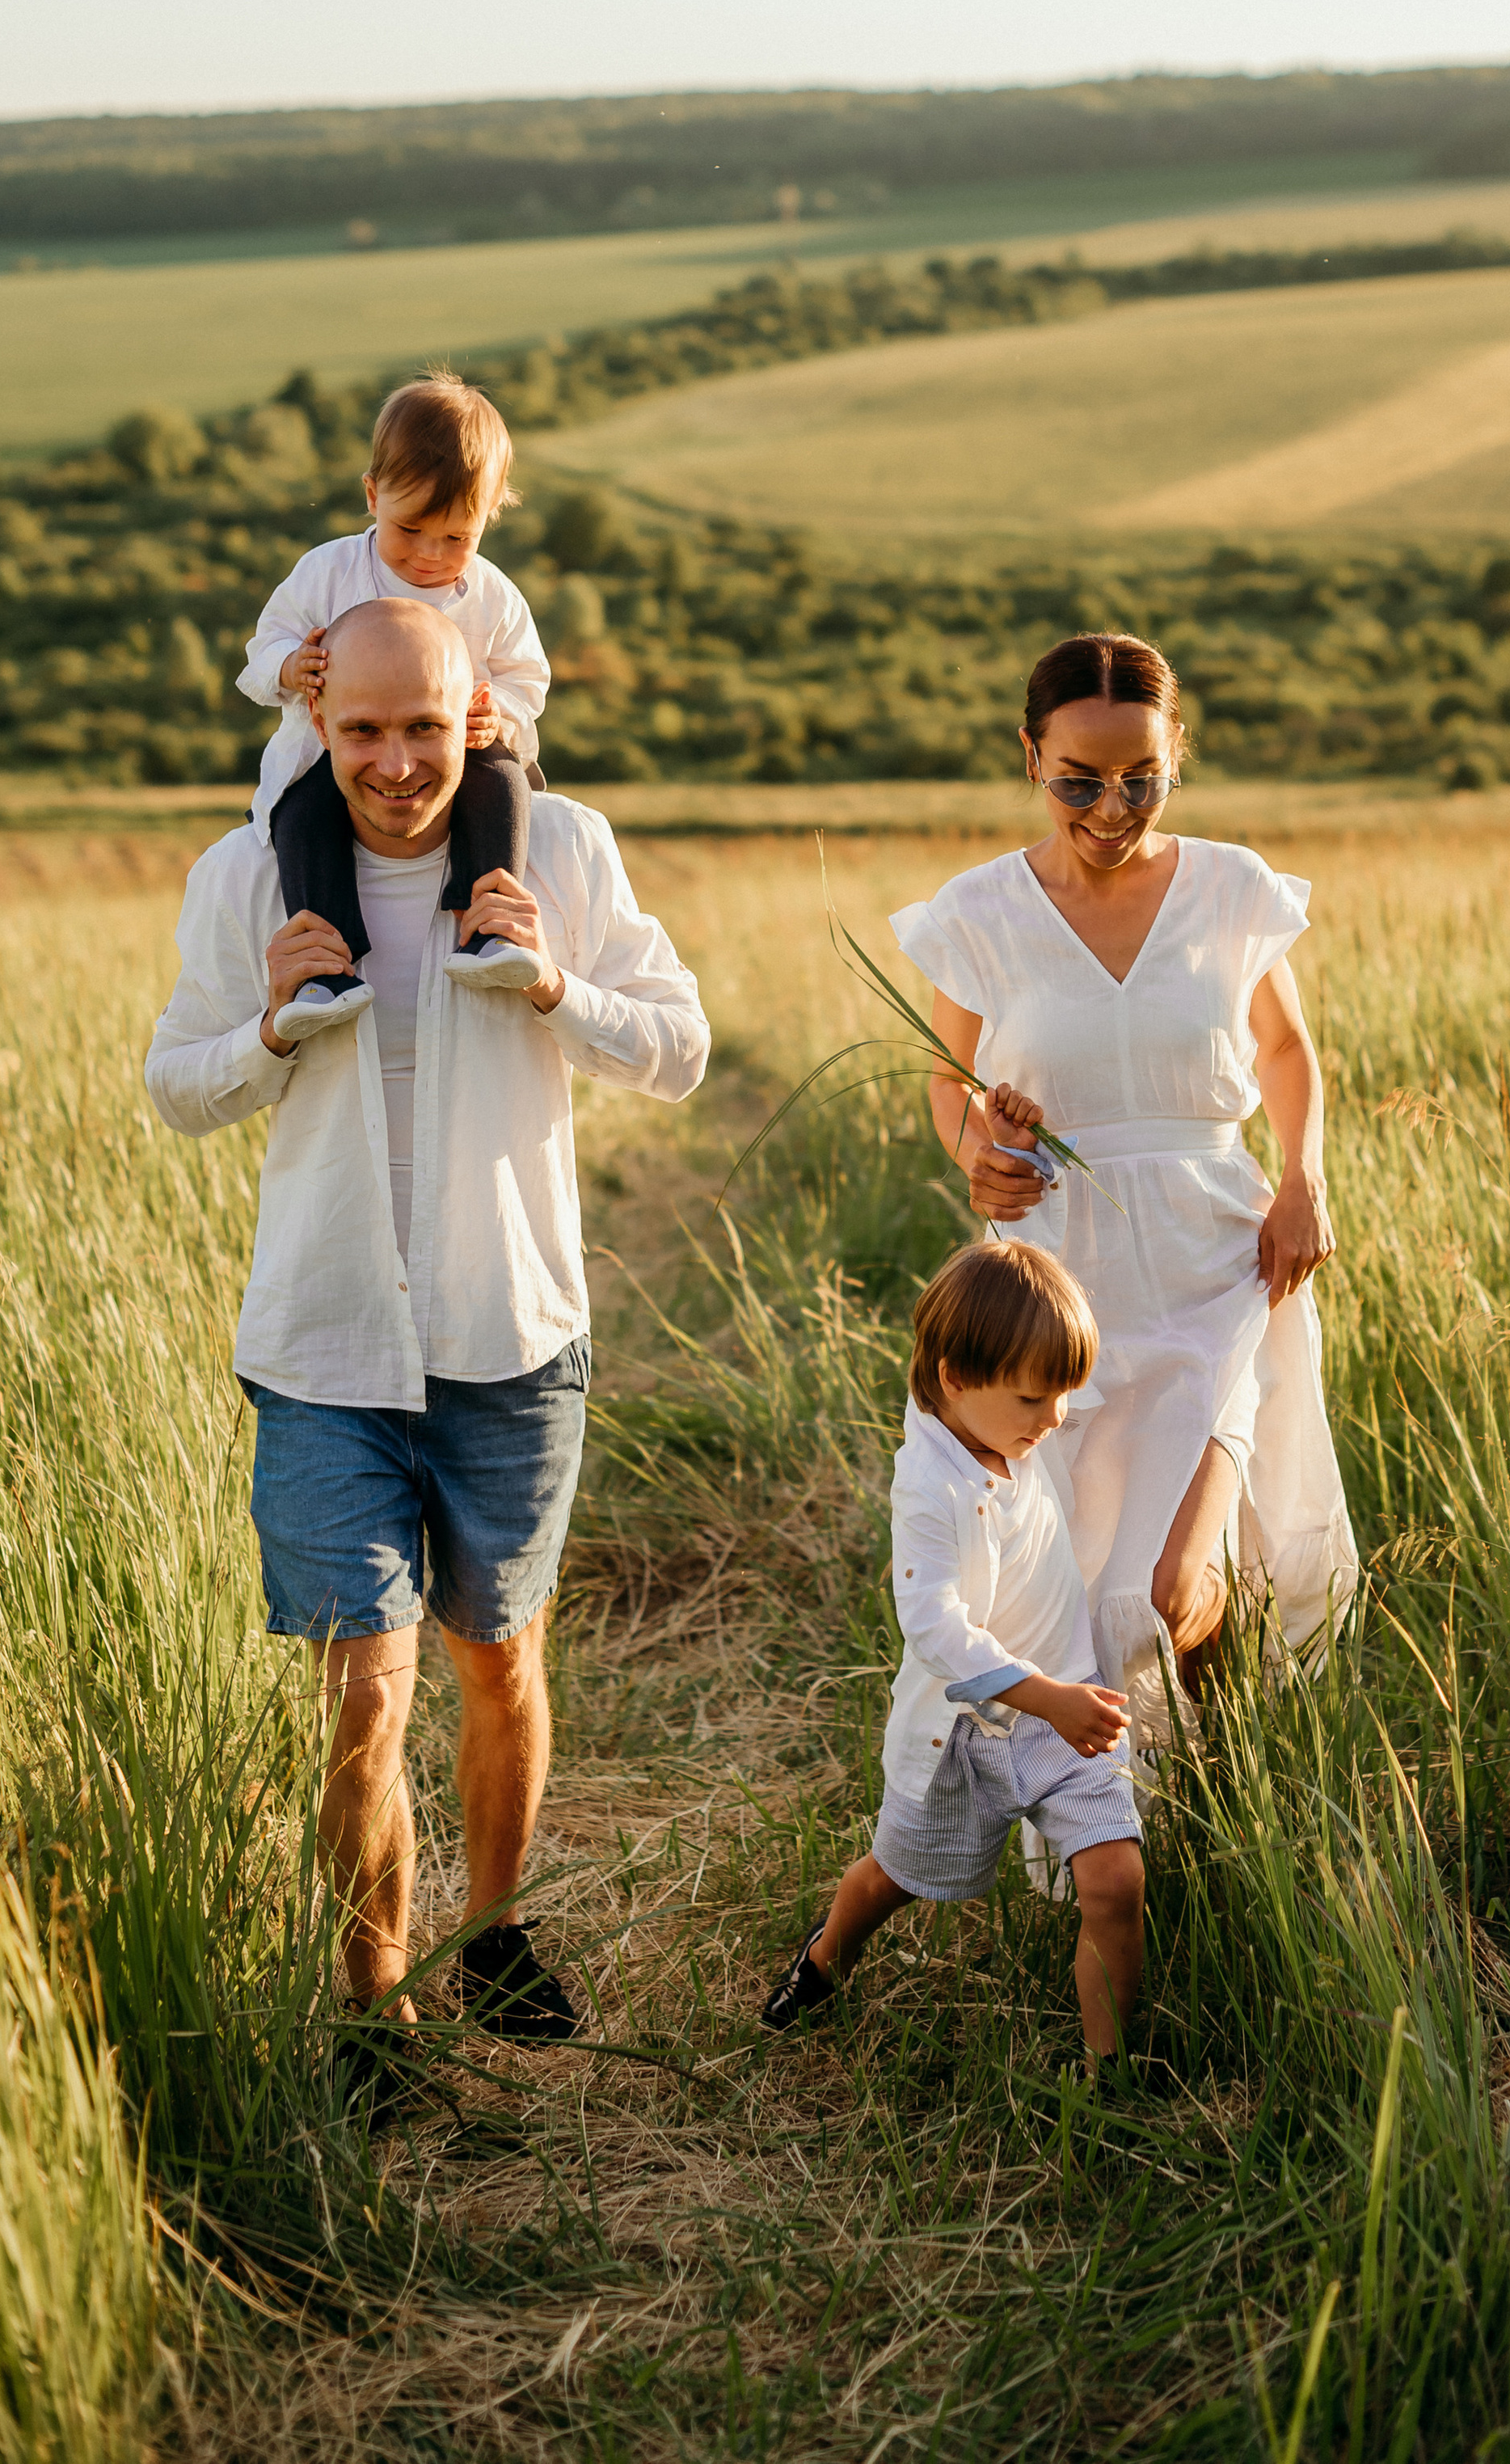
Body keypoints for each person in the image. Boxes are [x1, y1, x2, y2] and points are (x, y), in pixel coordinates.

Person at [146, 593, 709, 2091]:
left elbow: (682, 1042)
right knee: (363, 1690)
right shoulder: (250, 874)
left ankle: (496, 1930)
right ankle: (373, 2005)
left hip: (510, 1337)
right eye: (360, 731)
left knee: (497, 1659)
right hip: (325, 1344)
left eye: (420, 729)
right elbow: (176, 1086)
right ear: (317, 723)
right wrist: (266, 1024)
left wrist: (553, 980)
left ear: (474, 713)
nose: (393, 765)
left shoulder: (560, 850)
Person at [889, 632, 1358, 1758]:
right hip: (1065, 1278)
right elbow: (945, 1087)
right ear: (1030, 757)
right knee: (1087, 1571)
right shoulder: (980, 911)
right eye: (1079, 780)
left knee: (1188, 1566)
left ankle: (1234, 1761)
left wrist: (1304, 1181)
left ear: (1177, 753)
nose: (1112, 805)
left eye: (1140, 776)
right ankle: (1133, 1815)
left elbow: (1287, 1050)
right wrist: (974, 1154)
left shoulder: (1231, 887)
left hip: (1219, 1260)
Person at [760, 1242, 1145, 2063]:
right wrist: (1043, 1695)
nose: (1054, 1419)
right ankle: (824, 1960)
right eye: (1035, 1398)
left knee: (1115, 1882)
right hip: (964, 1732)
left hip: (1062, 1714)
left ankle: (1108, 2072)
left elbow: (1104, 1374)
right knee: (890, 1878)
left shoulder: (1011, 1422)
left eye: (1062, 1396)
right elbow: (932, 1626)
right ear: (950, 1378)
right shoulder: (928, 1485)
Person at [237, 369, 552, 1047]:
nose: (431, 555)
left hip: (462, 749)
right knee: (304, 819)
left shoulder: (494, 597)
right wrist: (290, 667)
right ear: (373, 496)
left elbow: (529, 677)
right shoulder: (327, 572)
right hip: (337, 756)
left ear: (491, 513)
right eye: (410, 529)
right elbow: (264, 648)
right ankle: (327, 970)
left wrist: (503, 718)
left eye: (458, 537)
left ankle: (490, 931)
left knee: (503, 788)